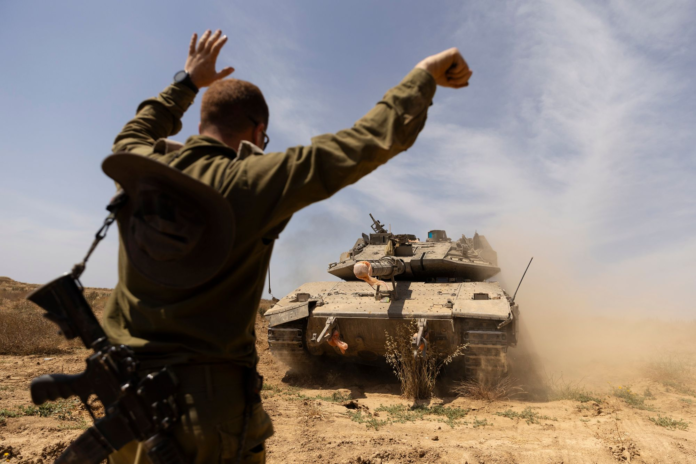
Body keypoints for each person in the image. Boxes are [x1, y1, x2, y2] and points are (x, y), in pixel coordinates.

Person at [105, 29, 472, 464]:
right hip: (212, 419)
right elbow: (364, 141)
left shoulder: (135, 169)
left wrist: (187, 81)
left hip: (125, 408)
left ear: (203, 120)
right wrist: (424, 75)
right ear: (258, 131)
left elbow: (137, 129)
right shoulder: (254, 181)